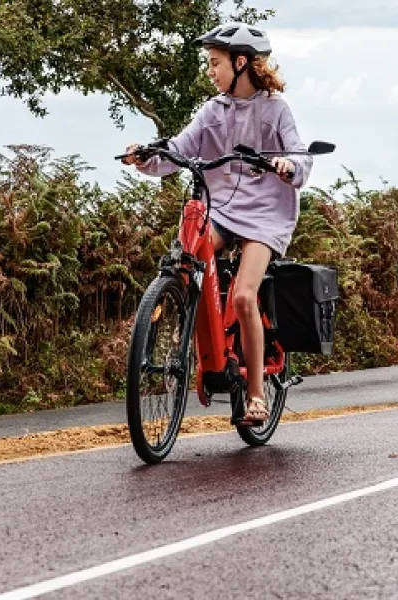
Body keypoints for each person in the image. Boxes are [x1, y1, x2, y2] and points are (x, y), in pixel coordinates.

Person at [122, 22, 313, 423]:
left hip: (265, 215)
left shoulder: (275, 109)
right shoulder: (212, 110)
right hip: (223, 209)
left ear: (241, 62)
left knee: (244, 297)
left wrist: (287, 164)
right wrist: (145, 155)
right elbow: (178, 148)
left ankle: (257, 395)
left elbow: (300, 156)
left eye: (216, 63)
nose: (210, 70)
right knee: (188, 257)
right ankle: (186, 321)